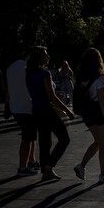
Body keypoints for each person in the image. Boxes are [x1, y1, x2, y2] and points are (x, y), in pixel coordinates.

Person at [25, 46, 74, 181]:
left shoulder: (29, 73)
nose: (47, 57)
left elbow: (39, 93)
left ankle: (45, 171)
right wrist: (67, 110)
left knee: (45, 142)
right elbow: (51, 97)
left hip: (36, 110)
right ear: (39, 57)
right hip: (47, 110)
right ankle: (49, 166)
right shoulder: (44, 73)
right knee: (64, 139)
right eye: (45, 55)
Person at [73, 47, 104, 184]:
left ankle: (81, 166)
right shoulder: (100, 78)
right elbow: (101, 100)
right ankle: (103, 174)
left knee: (97, 141)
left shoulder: (81, 77)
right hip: (97, 111)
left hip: (87, 112)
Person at [4, 56, 40, 176]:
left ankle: (31, 160)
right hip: (27, 106)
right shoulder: (29, 66)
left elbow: (8, 88)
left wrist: (7, 105)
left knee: (31, 136)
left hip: (16, 106)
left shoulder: (10, 68)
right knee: (27, 139)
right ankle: (22, 167)